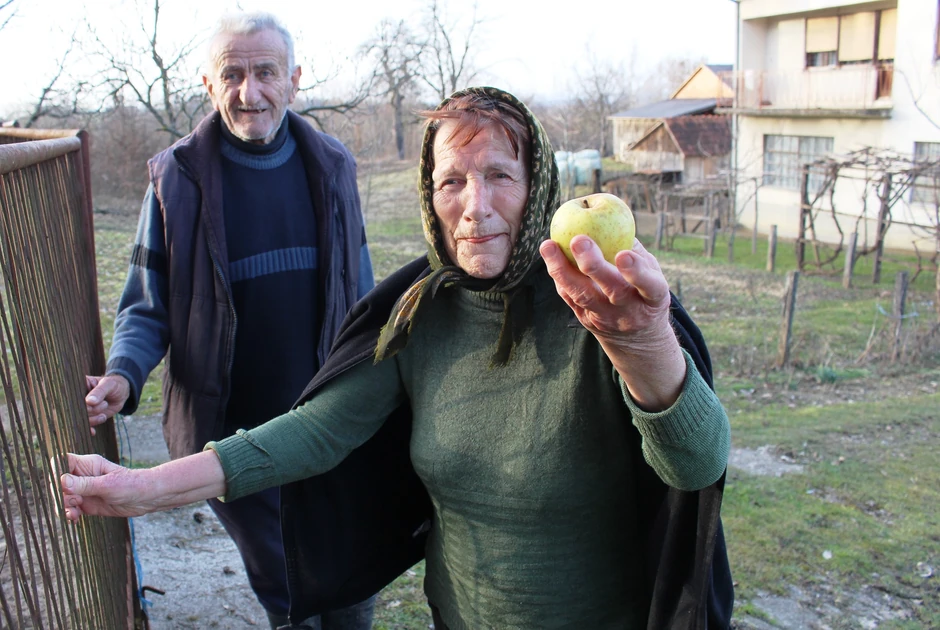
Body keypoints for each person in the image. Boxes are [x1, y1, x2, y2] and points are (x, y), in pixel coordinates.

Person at [65, 86, 734, 629]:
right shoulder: (420, 314)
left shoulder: (604, 308)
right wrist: (142, 488)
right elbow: (317, 431)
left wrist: (642, 345)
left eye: (500, 175)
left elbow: (697, 463)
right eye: (452, 182)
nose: (475, 208)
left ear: (539, 185)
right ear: (429, 196)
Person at [81, 11, 377, 630]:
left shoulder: (332, 168)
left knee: (351, 583)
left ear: (293, 79)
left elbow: (362, 292)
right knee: (288, 586)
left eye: (265, 72)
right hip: (227, 436)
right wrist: (124, 374)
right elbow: (145, 303)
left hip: (324, 425)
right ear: (210, 86)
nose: (251, 92)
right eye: (233, 74)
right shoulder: (176, 180)